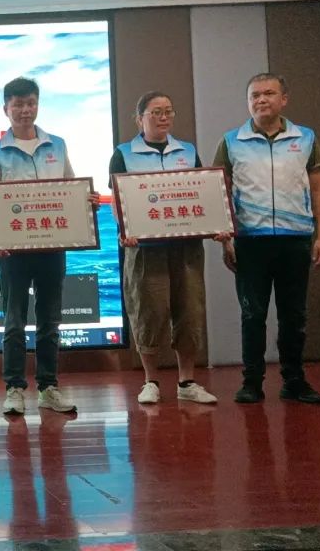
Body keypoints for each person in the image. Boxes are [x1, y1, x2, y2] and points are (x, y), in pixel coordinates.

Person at [0, 77, 100, 416]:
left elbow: (71, 187)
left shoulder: (57, 146)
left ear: (37, 105)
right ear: (6, 109)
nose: (25, 110)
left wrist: (87, 200)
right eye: (17, 104)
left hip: (52, 247)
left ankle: (48, 387)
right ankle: (14, 388)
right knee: (14, 321)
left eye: (30, 103)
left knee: (50, 319)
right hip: (12, 252)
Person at [215, 73, 320, 404]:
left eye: (268, 93)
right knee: (252, 315)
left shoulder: (305, 138)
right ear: (247, 102)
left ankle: (294, 380)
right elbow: (219, 191)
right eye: (254, 95)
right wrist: (226, 240)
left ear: (284, 99)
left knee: (294, 316)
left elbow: (319, 188)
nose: (261, 100)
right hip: (250, 241)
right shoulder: (231, 141)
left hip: (296, 239)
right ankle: (251, 382)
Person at [110, 92, 220, 405]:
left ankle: (187, 382)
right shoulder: (123, 153)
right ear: (139, 119)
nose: (163, 117)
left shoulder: (187, 150)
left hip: (186, 246)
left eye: (168, 111)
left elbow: (202, 192)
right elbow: (117, 197)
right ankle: (151, 381)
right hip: (145, 248)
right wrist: (125, 230)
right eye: (156, 112)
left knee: (190, 310)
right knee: (149, 311)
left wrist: (216, 222)